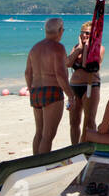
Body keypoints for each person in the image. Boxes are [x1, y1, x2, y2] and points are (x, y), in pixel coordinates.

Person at [26, 17, 73, 155]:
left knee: (39, 133)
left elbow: (28, 73)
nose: (62, 32)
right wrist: (71, 95)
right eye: (62, 29)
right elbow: (60, 74)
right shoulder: (58, 48)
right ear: (59, 31)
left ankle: (35, 165)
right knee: (48, 136)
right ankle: (42, 167)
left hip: (36, 91)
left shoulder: (35, 48)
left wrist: (31, 89)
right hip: (52, 91)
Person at [66, 21, 101, 145]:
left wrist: (86, 47)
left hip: (90, 86)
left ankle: (88, 146)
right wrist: (80, 48)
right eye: (82, 33)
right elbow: (67, 63)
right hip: (75, 87)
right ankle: (74, 147)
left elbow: (86, 64)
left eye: (87, 33)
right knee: (74, 121)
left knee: (89, 121)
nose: (84, 35)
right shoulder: (76, 47)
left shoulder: (99, 49)